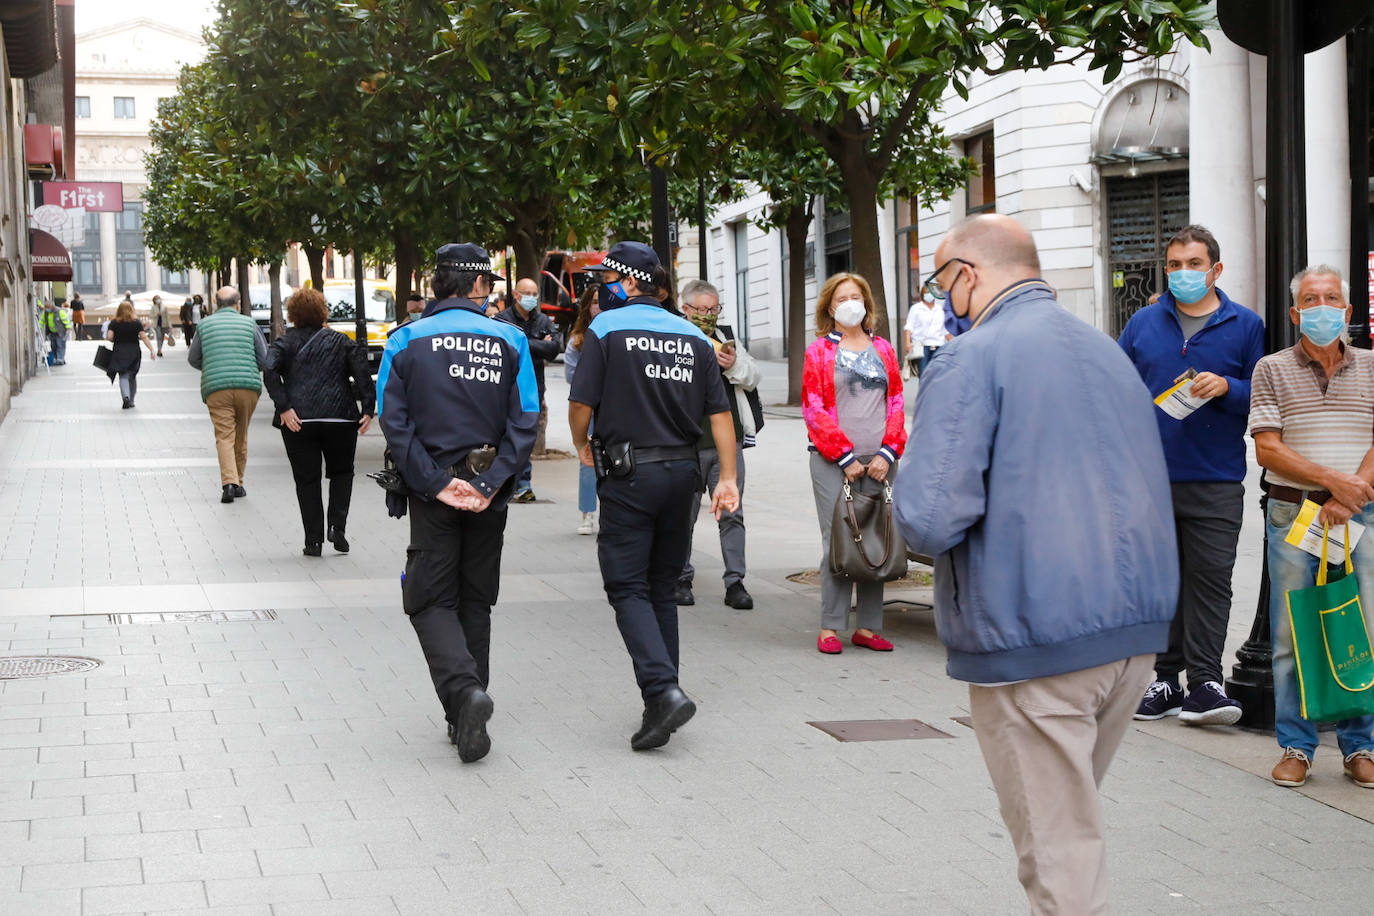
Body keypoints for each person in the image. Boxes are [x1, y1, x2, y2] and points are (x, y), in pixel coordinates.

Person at [894, 214, 1177, 915]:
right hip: (1131, 628)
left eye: (940, 279)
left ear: (966, 273)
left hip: (1034, 637)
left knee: (1059, 858)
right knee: (1068, 832)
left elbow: (927, 518)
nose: (943, 296)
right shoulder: (1107, 350)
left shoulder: (969, 358)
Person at [568, 241, 739, 751]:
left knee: (627, 586)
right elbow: (720, 414)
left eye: (607, 281)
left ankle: (663, 690)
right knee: (662, 586)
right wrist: (726, 476)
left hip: (630, 476)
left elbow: (581, 401)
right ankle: (662, 703)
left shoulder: (606, 328)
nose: (602, 289)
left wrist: (581, 443)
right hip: (682, 474)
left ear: (627, 283)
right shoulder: (692, 336)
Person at [376, 243, 539, 763]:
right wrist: (490, 483)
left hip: (434, 492)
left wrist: (434, 482)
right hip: (488, 493)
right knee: (476, 598)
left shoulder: (403, 340)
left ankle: (465, 697)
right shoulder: (511, 338)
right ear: (474, 286)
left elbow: (392, 420)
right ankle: (469, 711)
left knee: (427, 598)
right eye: (488, 283)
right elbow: (526, 417)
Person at [1118, 224, 1265, 727]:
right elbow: (1117, 390)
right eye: (1175, 265)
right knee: (1160, 582)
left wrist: (1228, 387)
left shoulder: (1246, 325)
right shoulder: (1142, 324)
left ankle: (1205, 682)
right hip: (1150, 479)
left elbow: (1263, 396)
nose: (1184, 273)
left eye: (1194, 264)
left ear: (1216, 270)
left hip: (1216, 478)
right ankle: (1162, 680)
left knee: (1211, 579)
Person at [1250, 265, 1374, 790]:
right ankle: (1296, 747)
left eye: (1331, 299)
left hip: (1361, 515)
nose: (1321, 307)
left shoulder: (1372, 367)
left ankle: (1361, 745)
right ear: (1295, 312)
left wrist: (1351, 495)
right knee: (1290, 631)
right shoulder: (1270, 369)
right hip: (1293, 513)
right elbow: (1267, 446)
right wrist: (1332, 484)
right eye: (1309, 300)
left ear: (1347, 311)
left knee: (1362, 629)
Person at [802, 272, 906, 654]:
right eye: (842, 297)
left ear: (866, 303)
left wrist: (887, 452)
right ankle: (831, 626)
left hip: (880, 461)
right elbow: (813, 409)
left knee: (876, 537)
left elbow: (895, 402)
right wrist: (844, 456)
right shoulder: (819, 351)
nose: (850, 302)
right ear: (830, 307)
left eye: (856, 296)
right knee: (839, 540)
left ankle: (868, 627)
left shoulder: (885, 349)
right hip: (833, 462)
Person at [263, 287, 376, 557]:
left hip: (299, 420)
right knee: (342, 473)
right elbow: (362, 375)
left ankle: (313, 540)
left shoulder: (284, 343)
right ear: (323, 311)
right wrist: (368, 410)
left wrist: (284, 408)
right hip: (340, 418)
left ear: (293, 314)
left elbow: (269, 369)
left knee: (307, 480)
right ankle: (337, 526)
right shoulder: (342, 341)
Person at [676, 278, 762, 610]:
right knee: (682, 515)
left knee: (731, 513)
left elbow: (753, 376)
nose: (710, 315)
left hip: (727, 444)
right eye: (703, 309)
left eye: (714, 309)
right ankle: (681, 577)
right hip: (685, 443)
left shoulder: (726, 337)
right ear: (686, 309)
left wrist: (734, 365)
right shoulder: (674, 336)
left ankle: (735, 582)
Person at [188, 287, 268, 504]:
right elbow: (264, 358)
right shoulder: (249, 324)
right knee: (241, 435)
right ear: (238, 303)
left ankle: (228, 483)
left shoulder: (204, 325)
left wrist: (211, 366)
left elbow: (193, 359)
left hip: (216, 388)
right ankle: (239, 482)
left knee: (224, 436)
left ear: (216, 304)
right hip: (247, 386)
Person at [495, 277, 563, 502]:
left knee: (525, 437)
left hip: (533, 389)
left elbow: (553, 348)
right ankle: (507, 482)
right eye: (527, 293)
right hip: (506, 388)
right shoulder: (502, 320)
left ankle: (523, 484)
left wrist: (522, 341)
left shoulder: (542, 320)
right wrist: (537, 342)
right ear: (515, 294)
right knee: (505, 436)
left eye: (535, 294)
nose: (532, 298)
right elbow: (502, 348)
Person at [563, 285, 601, 535]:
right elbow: (571, 377)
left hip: (617, 406)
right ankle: (587, 513)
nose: (600, 307)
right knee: (588, 460)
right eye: (595, 302)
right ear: (587, 306)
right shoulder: (578, 342)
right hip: (589, 407)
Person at [104, 300, 156, 408]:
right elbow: (144, 337)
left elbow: (109, 337)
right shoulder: (136, 322)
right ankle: (131, 400)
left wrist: (116, 339)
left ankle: (125, 397)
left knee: (123, 375)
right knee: (132, 375)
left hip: (119, 351)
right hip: (134, 351)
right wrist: (151, 349)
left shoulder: (114, 322)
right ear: (131, 310)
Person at [903, 290, 947, 375]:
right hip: (921, 346)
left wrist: (952, 342)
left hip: (938, 345)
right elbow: (909, 326)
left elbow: (945, 329)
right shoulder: (916, 308)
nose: (929, 295)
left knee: (938, 374)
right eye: (927, 292)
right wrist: (907, 343)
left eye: (930, 292)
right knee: (924, 374)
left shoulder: (939, 309)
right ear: (923, 295)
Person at [38, 299, 67, 365]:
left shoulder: (60, 312)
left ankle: (60, 359)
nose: (46, 309)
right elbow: (42, 321)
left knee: (60, 345)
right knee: (53, 346)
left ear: (52, 306)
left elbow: (66, 321)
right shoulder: (46, 313)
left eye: (47, 307)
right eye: (46, 307)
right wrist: (39, 328)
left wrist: (67, 330)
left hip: (60, 332)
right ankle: (56, 358)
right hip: (52, 332)